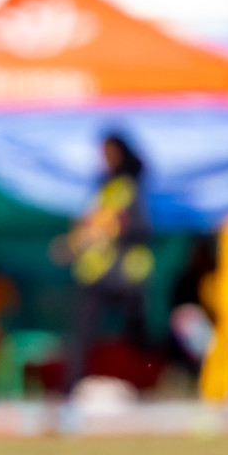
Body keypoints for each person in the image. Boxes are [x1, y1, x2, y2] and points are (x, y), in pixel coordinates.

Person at [62, 133, 156, 390]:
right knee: (82, 334)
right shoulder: (102, 186)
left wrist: (113, 226)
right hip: (95, 273)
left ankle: (147, 382)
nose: (104, 159)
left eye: (109, 153)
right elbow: (90, 225)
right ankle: (71, 389)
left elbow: (138, 228)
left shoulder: (128, 186)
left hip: (123, 275)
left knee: (135, 333)